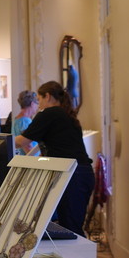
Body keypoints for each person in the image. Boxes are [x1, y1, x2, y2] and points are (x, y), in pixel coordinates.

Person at [15, 80, 94, 236]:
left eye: (39, 99)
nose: (38, 104)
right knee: (71, 225)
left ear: (48, 96)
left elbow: (21, 141)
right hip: (82, 173)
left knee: (71, 229)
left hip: (73, 175)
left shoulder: (49, 113)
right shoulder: (66, 114)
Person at [12, 90, 40, 155]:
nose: (37, 107)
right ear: (32, 104)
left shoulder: (17, 119)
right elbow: (28, 147)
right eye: (37, 104)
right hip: (30, 159)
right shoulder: (25, 121)